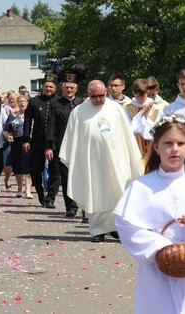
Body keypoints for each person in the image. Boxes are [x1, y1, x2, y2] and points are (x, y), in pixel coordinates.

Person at [113, 115, 185, 313]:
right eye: (168, 143)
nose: (175, 149)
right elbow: (127, 225)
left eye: (181, 143)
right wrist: (161, 248)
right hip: (157, 267)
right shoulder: (141, 186)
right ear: (156, 147)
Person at [60, 80, 142, 242]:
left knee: (118, 191)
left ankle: (116, 227)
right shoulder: (79, 112)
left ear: (106, 92)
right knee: (95, 192)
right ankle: (97, 230)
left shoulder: (116, 108)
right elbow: (72, 139)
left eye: (101, 95)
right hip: (92, 162)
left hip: (117, 160)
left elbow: (127, 135)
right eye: (94, 96)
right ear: (88, 94)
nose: (98, 99)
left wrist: (132, 155)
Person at [45, 71, 84, 217]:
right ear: (63, 89)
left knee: (80, 177)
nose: (69, 90)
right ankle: (71, 206)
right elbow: (51, 127)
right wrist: (49, 146)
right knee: (66, 177)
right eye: (67, 88)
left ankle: (83, 204)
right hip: (62, 146)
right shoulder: (56, 104)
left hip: (80, 146)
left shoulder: (82, 103)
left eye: (72, 88)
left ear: (76, 89)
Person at [22, 73, 60, 208]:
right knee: (35, 170)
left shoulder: (59, 102)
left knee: (55, 172)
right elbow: (27, 121)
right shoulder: (34, 101)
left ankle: (50, 197)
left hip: (54, 142)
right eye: (46, 86)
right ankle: (40, 193)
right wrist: (26, 139)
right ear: (42, 87)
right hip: (37, 141)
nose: (48, 89)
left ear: (55, 88)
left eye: (51, 87)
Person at [4, 94, 33, 199]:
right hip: (17, 142)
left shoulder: (32, 115)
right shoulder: (13, 115)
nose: (22, 103)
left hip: (30, 142)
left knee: (29, 166)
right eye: (20, 101)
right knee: (18, 166)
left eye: (24, 101)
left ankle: (28, 190)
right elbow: (6, 129)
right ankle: (20, 188)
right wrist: (8, 136)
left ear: (27, 103)